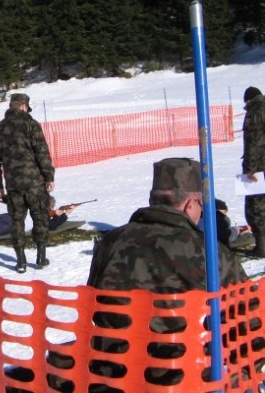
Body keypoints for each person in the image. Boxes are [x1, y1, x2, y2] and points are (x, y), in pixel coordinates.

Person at [86, 158, 247, 388]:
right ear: (191, 204)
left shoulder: (110, 243)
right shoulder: (209, 252)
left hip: (113, 373)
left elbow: (92, 304)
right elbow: (248, 321)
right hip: (181, 379)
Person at [0, 93, 55, 273]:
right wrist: (49, 176)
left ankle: (20, 261)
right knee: (40, 217)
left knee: (17, 221)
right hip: (34, 182)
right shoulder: (31, 125)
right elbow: (42, 153)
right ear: (24, 106)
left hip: (13, 185)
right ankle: (41, 257)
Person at [241, 86, 265, 257]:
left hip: (260, 169)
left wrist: (250, 169)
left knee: (256, 209)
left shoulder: (255, 112)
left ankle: (262, 247)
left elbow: (254, 143)